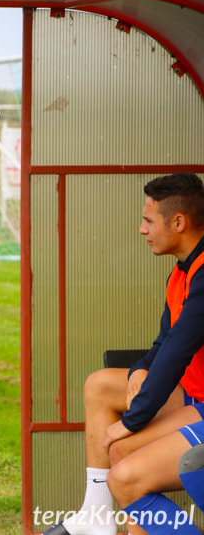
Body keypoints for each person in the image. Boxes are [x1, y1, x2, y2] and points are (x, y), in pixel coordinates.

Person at [44, 173, 204, 535]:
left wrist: (131, 421)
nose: (142, 230)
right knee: (101, 386)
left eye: (148, 220)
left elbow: (177, 353)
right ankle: (97, 516)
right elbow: (164, 342)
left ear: (178, 222)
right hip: (194, 396)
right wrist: (138, 371)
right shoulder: (180, 274)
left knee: (124, 461)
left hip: (200, 402)